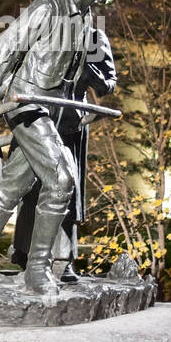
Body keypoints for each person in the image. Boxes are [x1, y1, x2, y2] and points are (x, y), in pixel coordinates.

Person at [0, 0, 119, 295]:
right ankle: (37, 269)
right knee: (62, 179)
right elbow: (7, 45)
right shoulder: (48, 8)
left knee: (13, 184)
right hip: (27, 104)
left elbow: (79, 71)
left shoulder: (87, 17)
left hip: (52, 109)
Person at [10, 26, 115, 283]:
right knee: (28, 189)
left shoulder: (93, 38)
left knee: (66, 189)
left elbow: (108, 85)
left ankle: (62, 259)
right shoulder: (43, 31)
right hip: (33, 118)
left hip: (69, 123)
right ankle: (24, 254)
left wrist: (87, 69)